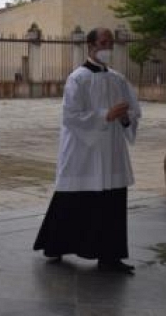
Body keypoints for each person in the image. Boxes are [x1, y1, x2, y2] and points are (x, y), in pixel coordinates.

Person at [33, 27, 141, 274]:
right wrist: (106, 114)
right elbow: (71, 116)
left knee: (111, 203)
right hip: (84, 151)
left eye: (110, 43)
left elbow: (134, 111)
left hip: (111, 151)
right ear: (90, 46)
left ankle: (110, 256)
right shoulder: (78, 78)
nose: (107, 48)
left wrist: (125, 118)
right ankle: (56, 245)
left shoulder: (118, 79)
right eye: (103, 43)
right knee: (75, 200)